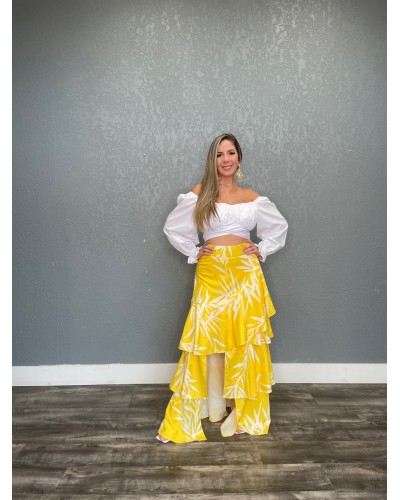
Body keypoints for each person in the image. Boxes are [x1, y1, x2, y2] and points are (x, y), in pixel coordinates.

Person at [156, 132, 288, 443]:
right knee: (204, 340)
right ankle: (195, 413)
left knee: (246, 340)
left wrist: (261, 248)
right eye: (219, 154)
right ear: (212, 160)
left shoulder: (253, 197)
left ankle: (245, 415)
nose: (225, 159)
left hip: (245, 274)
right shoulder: (200, 192)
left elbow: (278, 228)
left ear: (239, 157)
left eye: (230, 153)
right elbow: (173, 227)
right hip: (212, 271)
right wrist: (193, 251)